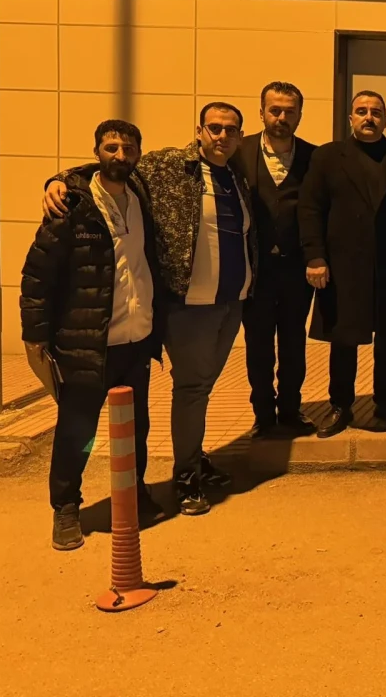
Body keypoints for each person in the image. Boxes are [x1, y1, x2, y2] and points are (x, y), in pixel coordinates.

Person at [46, 102, 258, 516]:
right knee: (192, 389)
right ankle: (186, 476)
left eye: (231, 130)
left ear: (240, 136)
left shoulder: (236, 175)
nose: (222, 136)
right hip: (190, 306)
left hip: (231, 303)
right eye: (214, 128)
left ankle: (193, 456)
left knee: (202, 388)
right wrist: (61, 181)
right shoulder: (170, 166)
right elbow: (114, 167)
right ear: (199, 130)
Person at [23, 120, 163, 550]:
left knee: (136, 427)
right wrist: (35, 336)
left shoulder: (140, 195)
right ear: (96, 151)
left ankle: (133, 491)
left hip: (136, 337)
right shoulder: (71, 205)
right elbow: (37, 274)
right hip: (87, 341)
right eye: (111, 147)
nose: (120, 155)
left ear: (139, 153)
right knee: (78, 430)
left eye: (128, 148)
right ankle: (66, 508)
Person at [300, 90, 386, 438]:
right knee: (344, 339)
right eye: (361, 111)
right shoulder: (327, 157)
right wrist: (315, 256)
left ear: (385, 120)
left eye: (376, 112)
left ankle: (385, 401)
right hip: (342, 266)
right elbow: (310, 208)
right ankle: (340, 405)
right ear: (351, 118)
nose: (369, 117)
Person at [233, 82, 317, 439]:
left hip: (298, 270)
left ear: (299, 115)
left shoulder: (314, 157)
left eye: (289, 111)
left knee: (294, 343)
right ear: (262, 112)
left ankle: (291, 410)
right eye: (275, 110)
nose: (282, 117)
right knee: (258, 345)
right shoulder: (238, 151)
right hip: (255, 270)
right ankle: (263, 414)